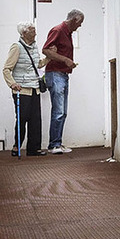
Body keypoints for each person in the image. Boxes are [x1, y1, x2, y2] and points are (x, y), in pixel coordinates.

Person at [2, 21, 50, 157]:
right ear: (24, 33)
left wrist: (48, 58)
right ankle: (17, 146)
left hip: (35, 88)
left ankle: (33, 149)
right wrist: (12, 84)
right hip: (21, 90)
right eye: (32, 30)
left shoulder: (34, 47)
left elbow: (38, 65)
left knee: (35, 119)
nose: (35, 33)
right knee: (22, 118)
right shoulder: (16, 47)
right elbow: (6, 69)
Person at [41, 9, 84, 154]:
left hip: (63, 74)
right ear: (73, 20)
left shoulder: (67, 33)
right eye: (79, 23)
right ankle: (54, 145)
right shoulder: (58, 30)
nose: (80, 26)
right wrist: (65, 59)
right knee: (59, 111)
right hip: (55, 74)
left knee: (63, 111)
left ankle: (57, 143)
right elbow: (46, 50)